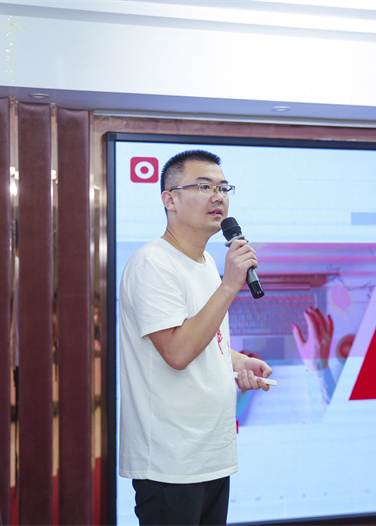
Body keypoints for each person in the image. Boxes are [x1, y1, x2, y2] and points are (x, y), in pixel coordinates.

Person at [119, 149, 273, 525]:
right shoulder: (153, 263)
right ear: (170, 200)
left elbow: (205, 338)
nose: (217, 196)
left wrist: (238, 362)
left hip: (212, 453)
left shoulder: (205, 262)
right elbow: (176, 351)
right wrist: (229, 286)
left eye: (223, 187)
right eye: (204, 187)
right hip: (171, 462)